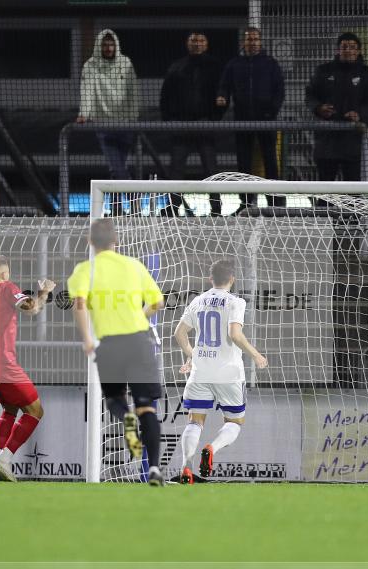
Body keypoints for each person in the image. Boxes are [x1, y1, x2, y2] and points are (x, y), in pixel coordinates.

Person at [67, 219, 166, 486]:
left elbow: (78, 304)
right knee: (147, 407)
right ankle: (155, 468)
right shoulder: (134, 266)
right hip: (138, 341)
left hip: (109, 345)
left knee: (114, 399)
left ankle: (126, 419)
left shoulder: (84, 270)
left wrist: (88, 339)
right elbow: (158, 301)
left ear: (90, 242)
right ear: (116, 241)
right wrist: (140, 317)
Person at [173, 260, 267, 484]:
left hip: (201, 373)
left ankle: (186, 469)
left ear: (210, 279)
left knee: (194, 422)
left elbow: (179, 333)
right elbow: (235, 334)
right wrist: (256, 355)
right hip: (229, 374)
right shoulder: (235, 302)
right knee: (234, 422)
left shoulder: (198, 300)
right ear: (232, 279)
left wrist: (192, 355)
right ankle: (211, 448)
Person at [0, 255, 56, 482]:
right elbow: (31, 308)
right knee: (35, 411)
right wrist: (44, 291)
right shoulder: (4, 287)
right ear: (4, 274)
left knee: (10, 409)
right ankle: (4, 460)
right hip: (2, 363)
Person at [216, 27, 285, 211]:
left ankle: (276, 202)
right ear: (243, 42)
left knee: (270, 161)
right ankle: (246, 202)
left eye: (255, 39)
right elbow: (224, 85)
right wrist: (222, 96)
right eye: (249, 39)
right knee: (244, 163)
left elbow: (279, 90)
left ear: (260, 42)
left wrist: (272, 111)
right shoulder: (234, 64)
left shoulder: (271, 64)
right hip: (243, 120)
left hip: (267, 121)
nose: (252, 42)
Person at [160, 31, 225, 216]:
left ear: (207, 44)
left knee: (211, 170)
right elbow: (165, 97)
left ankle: (216, 209)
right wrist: (169, 121)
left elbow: (223, 94)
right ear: (187, 44)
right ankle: (173, 206)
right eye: (193, 40)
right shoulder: (177, 67)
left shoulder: (215, 67)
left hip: (206, 126)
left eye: (201, 40)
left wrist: (214, 119)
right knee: (176, 170)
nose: (197, 44)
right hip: (181, 127)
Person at [77, 29, 139, 215]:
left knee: (117, 170)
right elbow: (86, 90)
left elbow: (133, 91)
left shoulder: (125, 63)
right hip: (103, 125)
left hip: (126, 125)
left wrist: (134, 117)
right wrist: (84, 113)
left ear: (116, 45)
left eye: (111, 44)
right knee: (117, 169)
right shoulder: (91, 66)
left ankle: (117, 210)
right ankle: (134, 204)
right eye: (105, 45)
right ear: (99, 46)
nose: (108, 48)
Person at [305, 32, 368, 181]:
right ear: (337, 50)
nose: (348, 50)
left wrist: (359, 114)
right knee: (325, 190)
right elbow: (310, 96)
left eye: (352, 47)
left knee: (353, 190)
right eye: (344, 47)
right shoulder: (323, 71)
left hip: (354, 140)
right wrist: (319, 108)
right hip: (326, 140)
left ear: (358, 51)